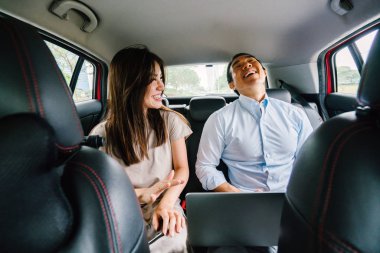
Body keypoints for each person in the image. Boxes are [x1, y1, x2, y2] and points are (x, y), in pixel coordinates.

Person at [90, 45, 192, 253]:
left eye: (161, 79)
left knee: (173, 240)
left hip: (164, 201)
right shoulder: (101, 134)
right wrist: (139, 194)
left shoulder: (170, 121)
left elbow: (182, 168)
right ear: (130, 83)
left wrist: (167, 204)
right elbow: (102, 188)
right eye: (152, 79)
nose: (161, 86)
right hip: (123, 204)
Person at [196, 53, 313, 194]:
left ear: (264, 72)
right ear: (231, 84)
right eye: (238, 66)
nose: (247, 65)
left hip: (294, 196)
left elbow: (309, 160)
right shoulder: (219, 119)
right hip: (243, 199)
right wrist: (234, 195)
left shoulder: (295, 114)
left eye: (251, 61)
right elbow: (205, 166)